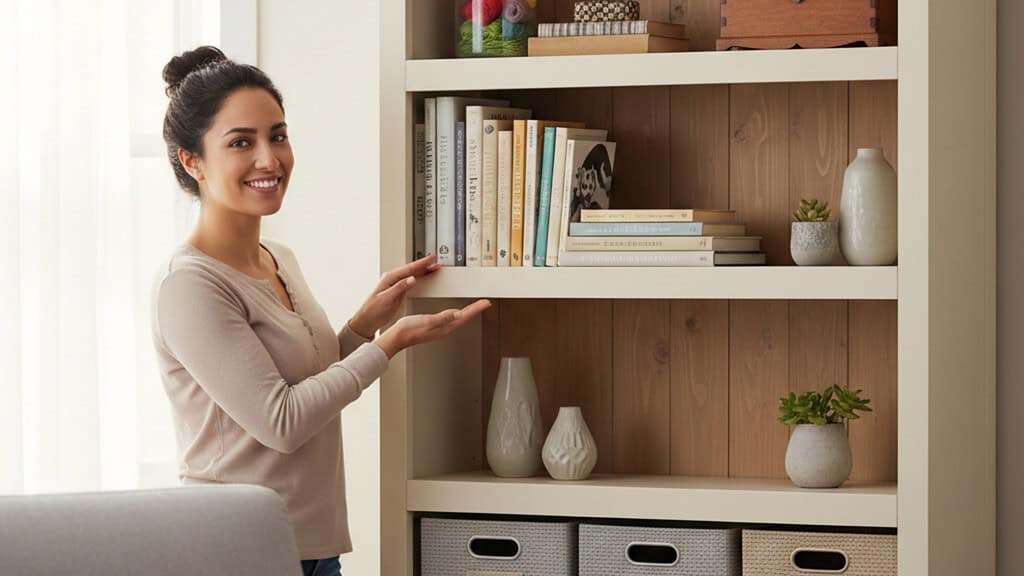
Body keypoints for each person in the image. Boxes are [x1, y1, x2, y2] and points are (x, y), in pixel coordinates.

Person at [150, 46, 490, 576]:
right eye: (242, 142)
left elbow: (309, 379)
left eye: (278, 136)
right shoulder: (190, 286)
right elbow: (282, 420)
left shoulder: (276, 258)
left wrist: (364, 323)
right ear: (191, 160)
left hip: (309, 545)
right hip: (236, 551)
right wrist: (389, 343)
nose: (270, 159)